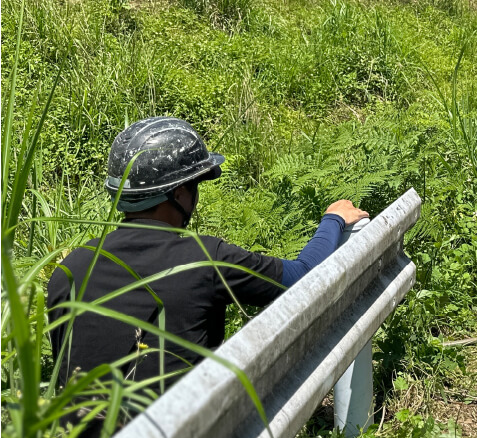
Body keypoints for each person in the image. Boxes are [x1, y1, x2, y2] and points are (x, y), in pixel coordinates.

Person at [47, 116, 368, 397]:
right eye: (195, 186)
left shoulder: (69, 270)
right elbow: (303, 277)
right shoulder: (205, 258)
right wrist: (333, 219)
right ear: (179, 193)